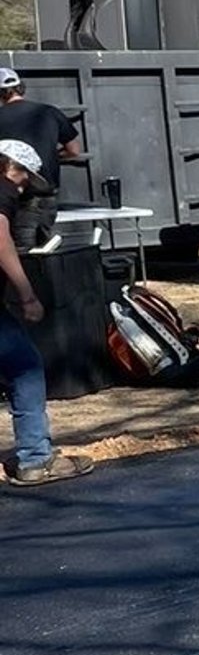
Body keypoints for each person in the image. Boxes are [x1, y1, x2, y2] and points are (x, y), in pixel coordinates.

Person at [0, 139, 93, 485]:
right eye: (25, 179)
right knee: (25, 369)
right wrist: (26, 294)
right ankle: (35, 459)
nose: (23, 188)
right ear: (12, 167)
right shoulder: (3, 186)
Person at [0, 68, 82, 250]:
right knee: (46, 248)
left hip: (16, 195)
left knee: (22, 251)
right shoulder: (49, 112)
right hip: (48, 193)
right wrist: (53, 156)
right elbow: (74, 150)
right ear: (20, 87)